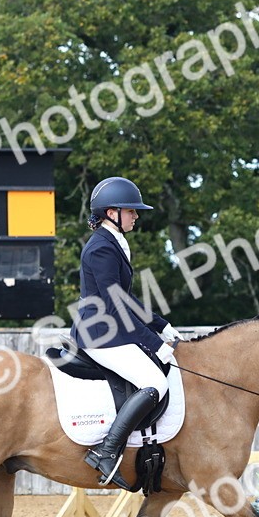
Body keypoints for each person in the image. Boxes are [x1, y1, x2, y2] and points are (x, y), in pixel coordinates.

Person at [72, 176, 182, 488]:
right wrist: (153, 343)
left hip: (111, 330)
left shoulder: (113, 243)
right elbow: (117, 306)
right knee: (154, 382)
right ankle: (106, 452)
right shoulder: (101, 249)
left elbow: (126, 299)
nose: (136, 216)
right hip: (99, 334)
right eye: (131, 211)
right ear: (111, 213)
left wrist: (161, 325)